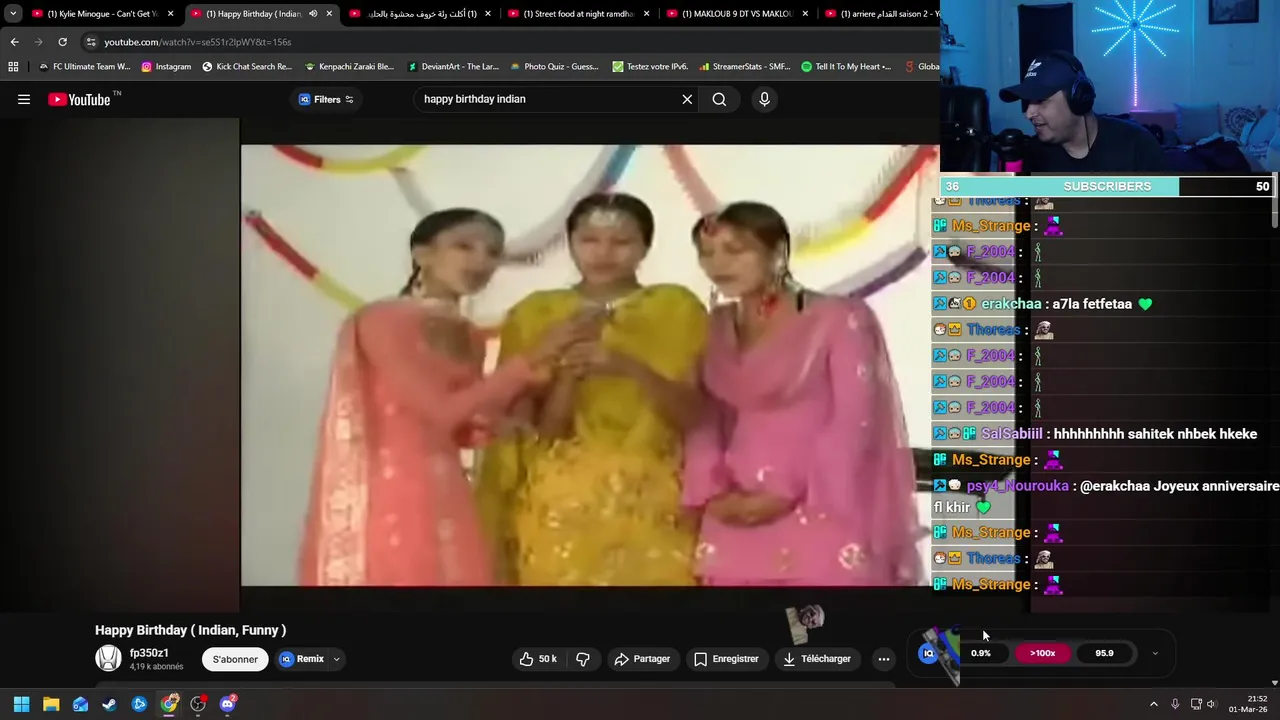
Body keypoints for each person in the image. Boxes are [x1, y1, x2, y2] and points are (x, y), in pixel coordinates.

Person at [298, 209, 595, 586]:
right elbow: (440, 412)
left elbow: (465, 425)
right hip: (388, 491)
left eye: (493, 252)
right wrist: (529, 361)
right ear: (423, 255)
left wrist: (521, 406)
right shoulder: (382, 319)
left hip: (448, 487)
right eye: (464, 246)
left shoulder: (467, 334)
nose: (481, 261)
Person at [683, 201, 921, 586]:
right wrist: (711, 492)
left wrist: (784, 490)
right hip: (734, 509)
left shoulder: (839, 317)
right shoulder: (715, 326)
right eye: (706, 253)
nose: (718, 264)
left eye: (734, 250)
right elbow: (705, 416)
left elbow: (855, 419)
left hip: (821, 502)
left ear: (778, 251)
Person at [475, 193, 707, 586]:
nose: (604, 253)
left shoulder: (676, 308)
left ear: (645, 247)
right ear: (570, 244)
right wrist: (569, 370)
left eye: (621, 242)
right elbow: (533, 433)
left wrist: (628, 366)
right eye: (589, 240)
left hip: (655, 501)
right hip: (559, 503)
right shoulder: (536, 313)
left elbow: (696, 416)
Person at [999, 51, 1167, 172]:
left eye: (1040, 100)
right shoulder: (1032, 153)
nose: (1029, 113)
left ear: (1079, 98)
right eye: (1028, 101)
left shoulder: (1137, 146)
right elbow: (1015, 209)